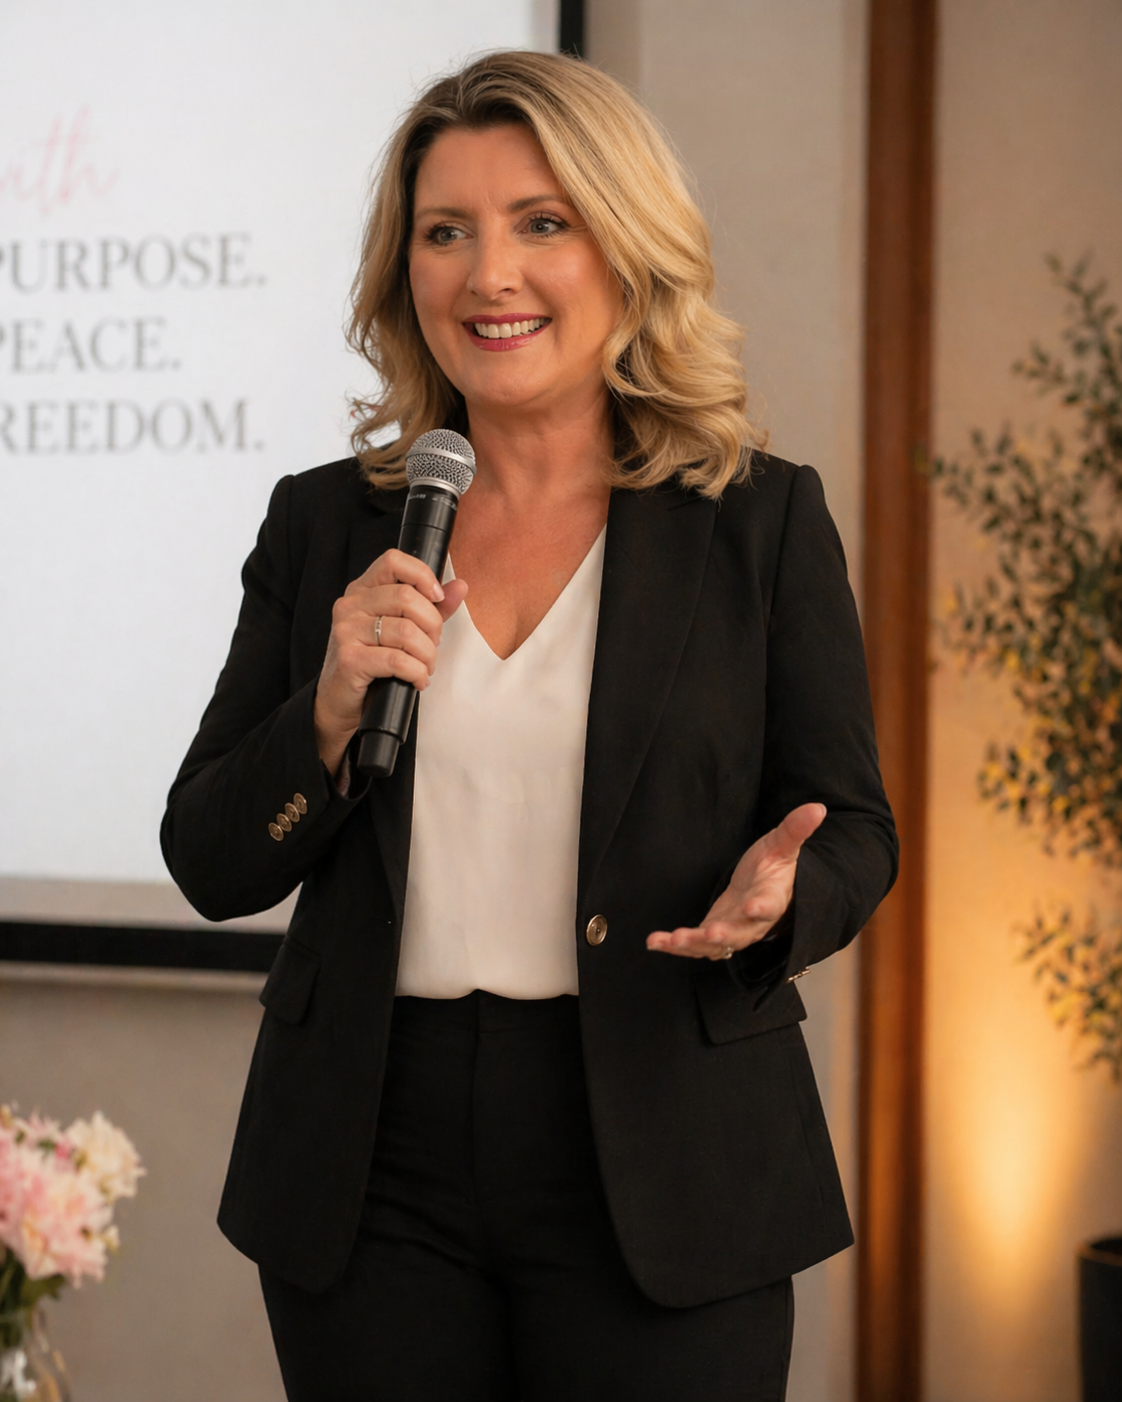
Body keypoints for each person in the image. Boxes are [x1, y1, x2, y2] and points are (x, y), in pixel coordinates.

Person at [162, 49, 896, 1402]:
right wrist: (325, 710)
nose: (487, 274)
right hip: (371, 1163)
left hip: (663, 1143)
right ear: (406, 274)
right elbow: (212, 856)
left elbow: (850, 824)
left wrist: (782, 899)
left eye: (539, 223)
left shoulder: (755, 518)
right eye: (446, 232)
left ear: (624, 249)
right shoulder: (327, 519)